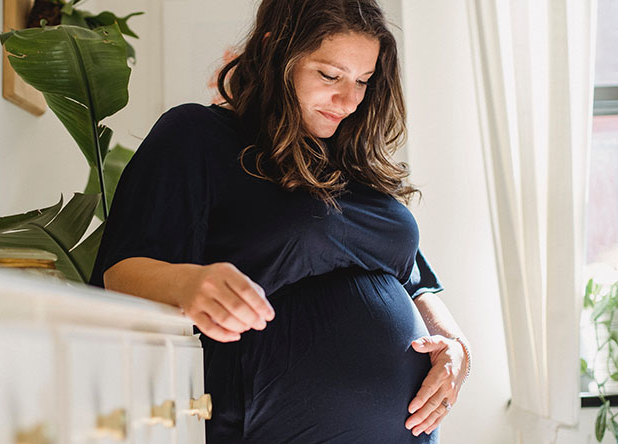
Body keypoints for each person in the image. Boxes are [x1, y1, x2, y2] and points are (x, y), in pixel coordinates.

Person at [90, 0, 470, 441]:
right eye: (329, 75)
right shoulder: (198, 136)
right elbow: (119, 274)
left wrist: (457, 351)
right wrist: (190, 284)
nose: (349, 100)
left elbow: (416, 283)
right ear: (276, 53)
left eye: (363, 81)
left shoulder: (356, 165)